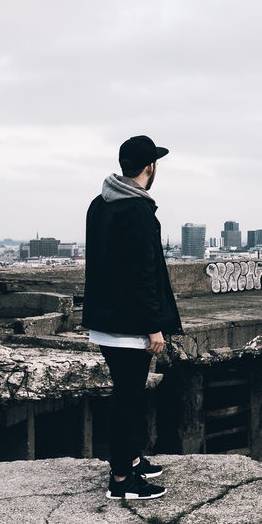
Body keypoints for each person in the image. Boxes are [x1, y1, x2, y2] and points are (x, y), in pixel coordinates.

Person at [84, 135, 181, 500]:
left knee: (126, 395)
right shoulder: (138, 211)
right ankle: (122, 479)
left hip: (106, 321)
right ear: (149, 167)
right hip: (131, 326)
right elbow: (143, 275)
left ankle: (132, 459)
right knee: (128, 400)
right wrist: (152, 326)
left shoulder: (100, 203)